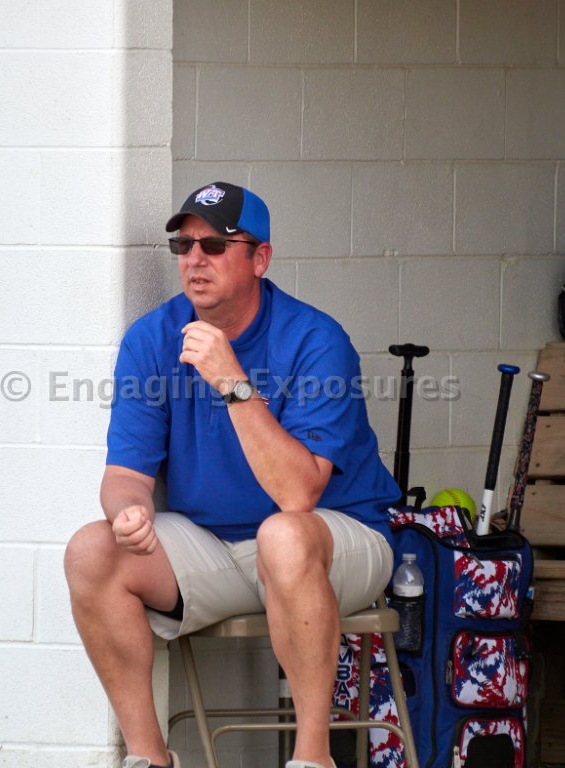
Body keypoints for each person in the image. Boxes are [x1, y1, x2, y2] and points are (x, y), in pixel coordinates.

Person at [64, 182, 401, 768]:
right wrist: (128, 511)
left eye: (216, 245)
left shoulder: (316, 339)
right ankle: (148, 758)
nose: (195, 259)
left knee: (283, 535)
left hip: (333, 540)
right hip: (216, 546)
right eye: (184, 245)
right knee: (91, 551)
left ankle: (312, 758)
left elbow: (298, 494)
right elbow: (124, 474)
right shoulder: (152, 338)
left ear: (260, 258)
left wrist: (231, 380)